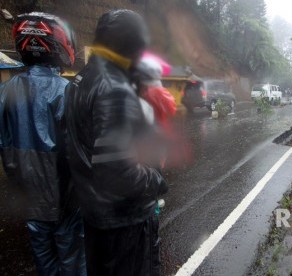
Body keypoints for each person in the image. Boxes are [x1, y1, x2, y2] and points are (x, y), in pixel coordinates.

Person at [64, 10, 167, 276]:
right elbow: (118, 172)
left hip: (95, 214)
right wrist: (156, 180)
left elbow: (76, 145)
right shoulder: (114, 88)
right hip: (124, 221)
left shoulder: (79, 80)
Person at [0, 12, 86, 275]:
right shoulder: (66, 91)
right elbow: (79, 149)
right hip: (64, 195)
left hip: (28, 194)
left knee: (43, 255)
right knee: (72, 257)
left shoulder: (7, 91)